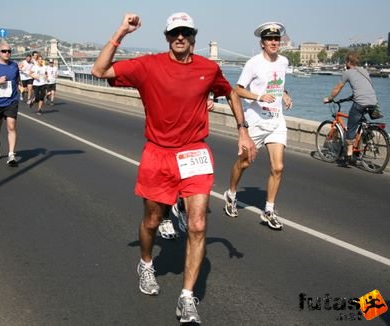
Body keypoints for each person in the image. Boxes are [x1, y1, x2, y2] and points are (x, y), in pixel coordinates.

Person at [91, 12, 256, 324]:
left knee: (197, 225)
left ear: (193, 36)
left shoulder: (209, 69)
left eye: (185, 32)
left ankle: (186, 298)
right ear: (167, 37)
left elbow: (230, 92)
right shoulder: (147, 65)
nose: (180, 37)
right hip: (158, 153)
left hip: (194, 153)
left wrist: (243, 130)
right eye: (174, 33)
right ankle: (146, 263)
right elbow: (99, 70)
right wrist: (122, 31)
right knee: (152, 221)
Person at [222, 22, 293, 231]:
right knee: (244, 163)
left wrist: (285, 94)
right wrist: (260, 96)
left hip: (277, 121)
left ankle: (269, 210)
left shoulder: (284, 61)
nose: (274, 42)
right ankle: (231, 193)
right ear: (262, 43)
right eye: (270, 39)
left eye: (277, 39)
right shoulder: (253, 63)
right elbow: (238, 90)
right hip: (256, 122)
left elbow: (278, 83)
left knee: (278, 167)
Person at [323, 52, 378, 166]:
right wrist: (353, 96)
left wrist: (329, 98)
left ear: (348, 62)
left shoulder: (347, 73)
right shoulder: (364, 71)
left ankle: (349, 154)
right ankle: (365, 135)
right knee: (360, 120)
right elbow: (366, 86)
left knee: (351, 125)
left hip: (361, 102)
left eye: (345, 62)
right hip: (373, 100)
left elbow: (338, 88)